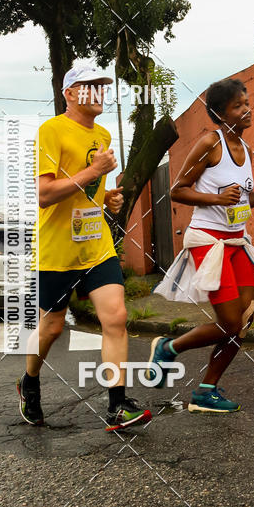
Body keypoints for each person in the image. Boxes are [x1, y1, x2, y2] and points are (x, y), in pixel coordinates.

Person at [17, 62, 152, 430]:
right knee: (51, 328)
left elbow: (86, 192)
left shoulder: (104, 135)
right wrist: (93, 173)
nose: (99, 92)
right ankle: (30, 383)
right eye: (89, 86)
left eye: (103, 86)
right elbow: (45, 195)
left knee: (117, 317)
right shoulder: (52, 130)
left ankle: (117, 405)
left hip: (96, 246)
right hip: (58, 249)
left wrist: (106, 197)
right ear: (70, 93)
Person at [148, 77, 254, 412]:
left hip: (237, 241)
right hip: (208, 241)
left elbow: (237, 205)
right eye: (238, 106)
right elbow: (177, 189)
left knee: (245, 319)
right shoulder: (211, 143)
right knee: (229, 323)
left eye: (247, 102)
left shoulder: (245, 150)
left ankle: (206, 390)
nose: (247, 109)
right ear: (220, 114)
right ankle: (168, 348)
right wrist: (217, 198)